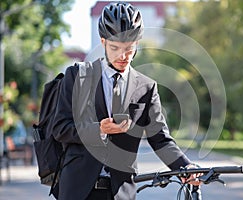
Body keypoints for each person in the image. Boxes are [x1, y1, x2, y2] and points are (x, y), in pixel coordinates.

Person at [53, 2, 201, 200]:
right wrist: (99, 129)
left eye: (129, 49)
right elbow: (60, 128)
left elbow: (160, 139)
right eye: (115, 48)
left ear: (137, 44)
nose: (123, 56)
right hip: (77, 191)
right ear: (103, 42)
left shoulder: (147, 88)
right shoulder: (78, 76)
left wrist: (186, 166)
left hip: (121, 192)